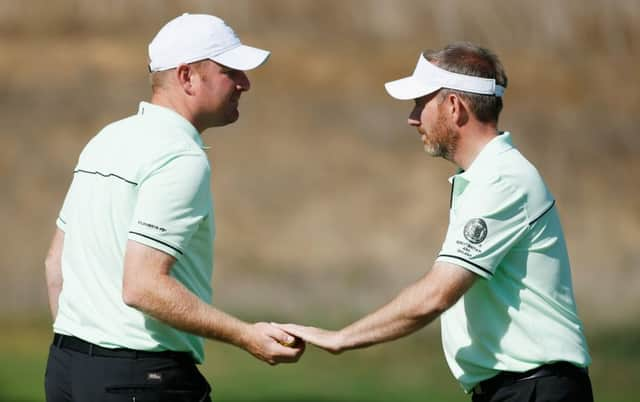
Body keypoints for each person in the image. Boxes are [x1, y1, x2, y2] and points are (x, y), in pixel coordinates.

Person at [276, 42, 593, 401]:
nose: (412, 118)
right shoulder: (486, 177)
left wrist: (341, 338)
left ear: (454, 106)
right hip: (520, 389)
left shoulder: (501, 181)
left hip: (536, 390)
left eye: (420, 103)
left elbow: (435, 295)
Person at [44, 13, 304, 402]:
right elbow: (143, 285)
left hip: (66, 369)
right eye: (230, 70)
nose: (244, 84)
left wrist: (87, 356)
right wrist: (246, 335)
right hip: (140, 380)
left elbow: (54, 265)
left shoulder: (107, 139)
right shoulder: (180, 157)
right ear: (186, 77)